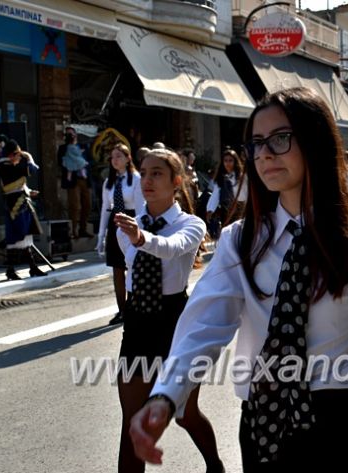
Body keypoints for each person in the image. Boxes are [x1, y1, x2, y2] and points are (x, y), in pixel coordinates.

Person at [128, 87, 348, 472]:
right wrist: (165, 396)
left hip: (337, 426)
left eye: (280, 139)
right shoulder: (239, 242)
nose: (264, 154)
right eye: (256, 143)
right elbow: (203, 325)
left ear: (315, 142)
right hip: (264, 423)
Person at [113, 148, 224, 473]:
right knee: (132, 421)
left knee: (184, 413)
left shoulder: (191, 224)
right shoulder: (126, 228)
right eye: (144, 172)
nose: (147, 180)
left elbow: (170, 248)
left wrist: (140, 237)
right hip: (138, 326)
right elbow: (127, 270)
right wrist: (135, 234)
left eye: (157, 173)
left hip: (175, 324)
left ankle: (214, 465)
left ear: (177, 181)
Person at [97, 144, 145, 326]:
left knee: (133, 266)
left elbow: (140, 209)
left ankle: (135, 306)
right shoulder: (108, 183)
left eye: (118, 156)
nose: (115, 160)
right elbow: (104, 209)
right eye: (112, 157)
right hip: (115, 223)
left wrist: (140, 233)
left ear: (128, 158)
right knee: (117, 269)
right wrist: (101, 235)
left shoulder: (136, 179)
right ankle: (122, 310)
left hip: (131, 221)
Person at [0, 140, 47, 280]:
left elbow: (17, 185)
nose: (19, 157)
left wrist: (28, 191)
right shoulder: (4, 165)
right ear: (11, 155)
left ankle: (32, 267)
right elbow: (32, 169)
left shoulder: (9, 165)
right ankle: (11, 270)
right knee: (17, 236)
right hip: (15, 205)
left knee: (25, 237)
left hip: (20, 202)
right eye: (17, 154)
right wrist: (29, 156)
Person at [57, 126, 93, 239]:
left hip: (85, 179)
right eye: (67, 134)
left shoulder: (84, 146)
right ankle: (74, 231)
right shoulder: (63, 148)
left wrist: (83, 164)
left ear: (76, 134)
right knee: (75, 206)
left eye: (71, 134)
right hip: (73, 181)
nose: (69, 136)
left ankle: (83, 229)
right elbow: (60, 162)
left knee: (87, 205)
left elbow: (90, 160)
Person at [206, 147, 247, 236]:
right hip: (225, 211)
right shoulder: (221, 177)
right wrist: (210, 209)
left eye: (230, 160)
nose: (228, 163)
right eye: (226, 160)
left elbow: (245, 195)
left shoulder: (241, 176)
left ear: (235, 162)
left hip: (240, 210)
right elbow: (216, 194)